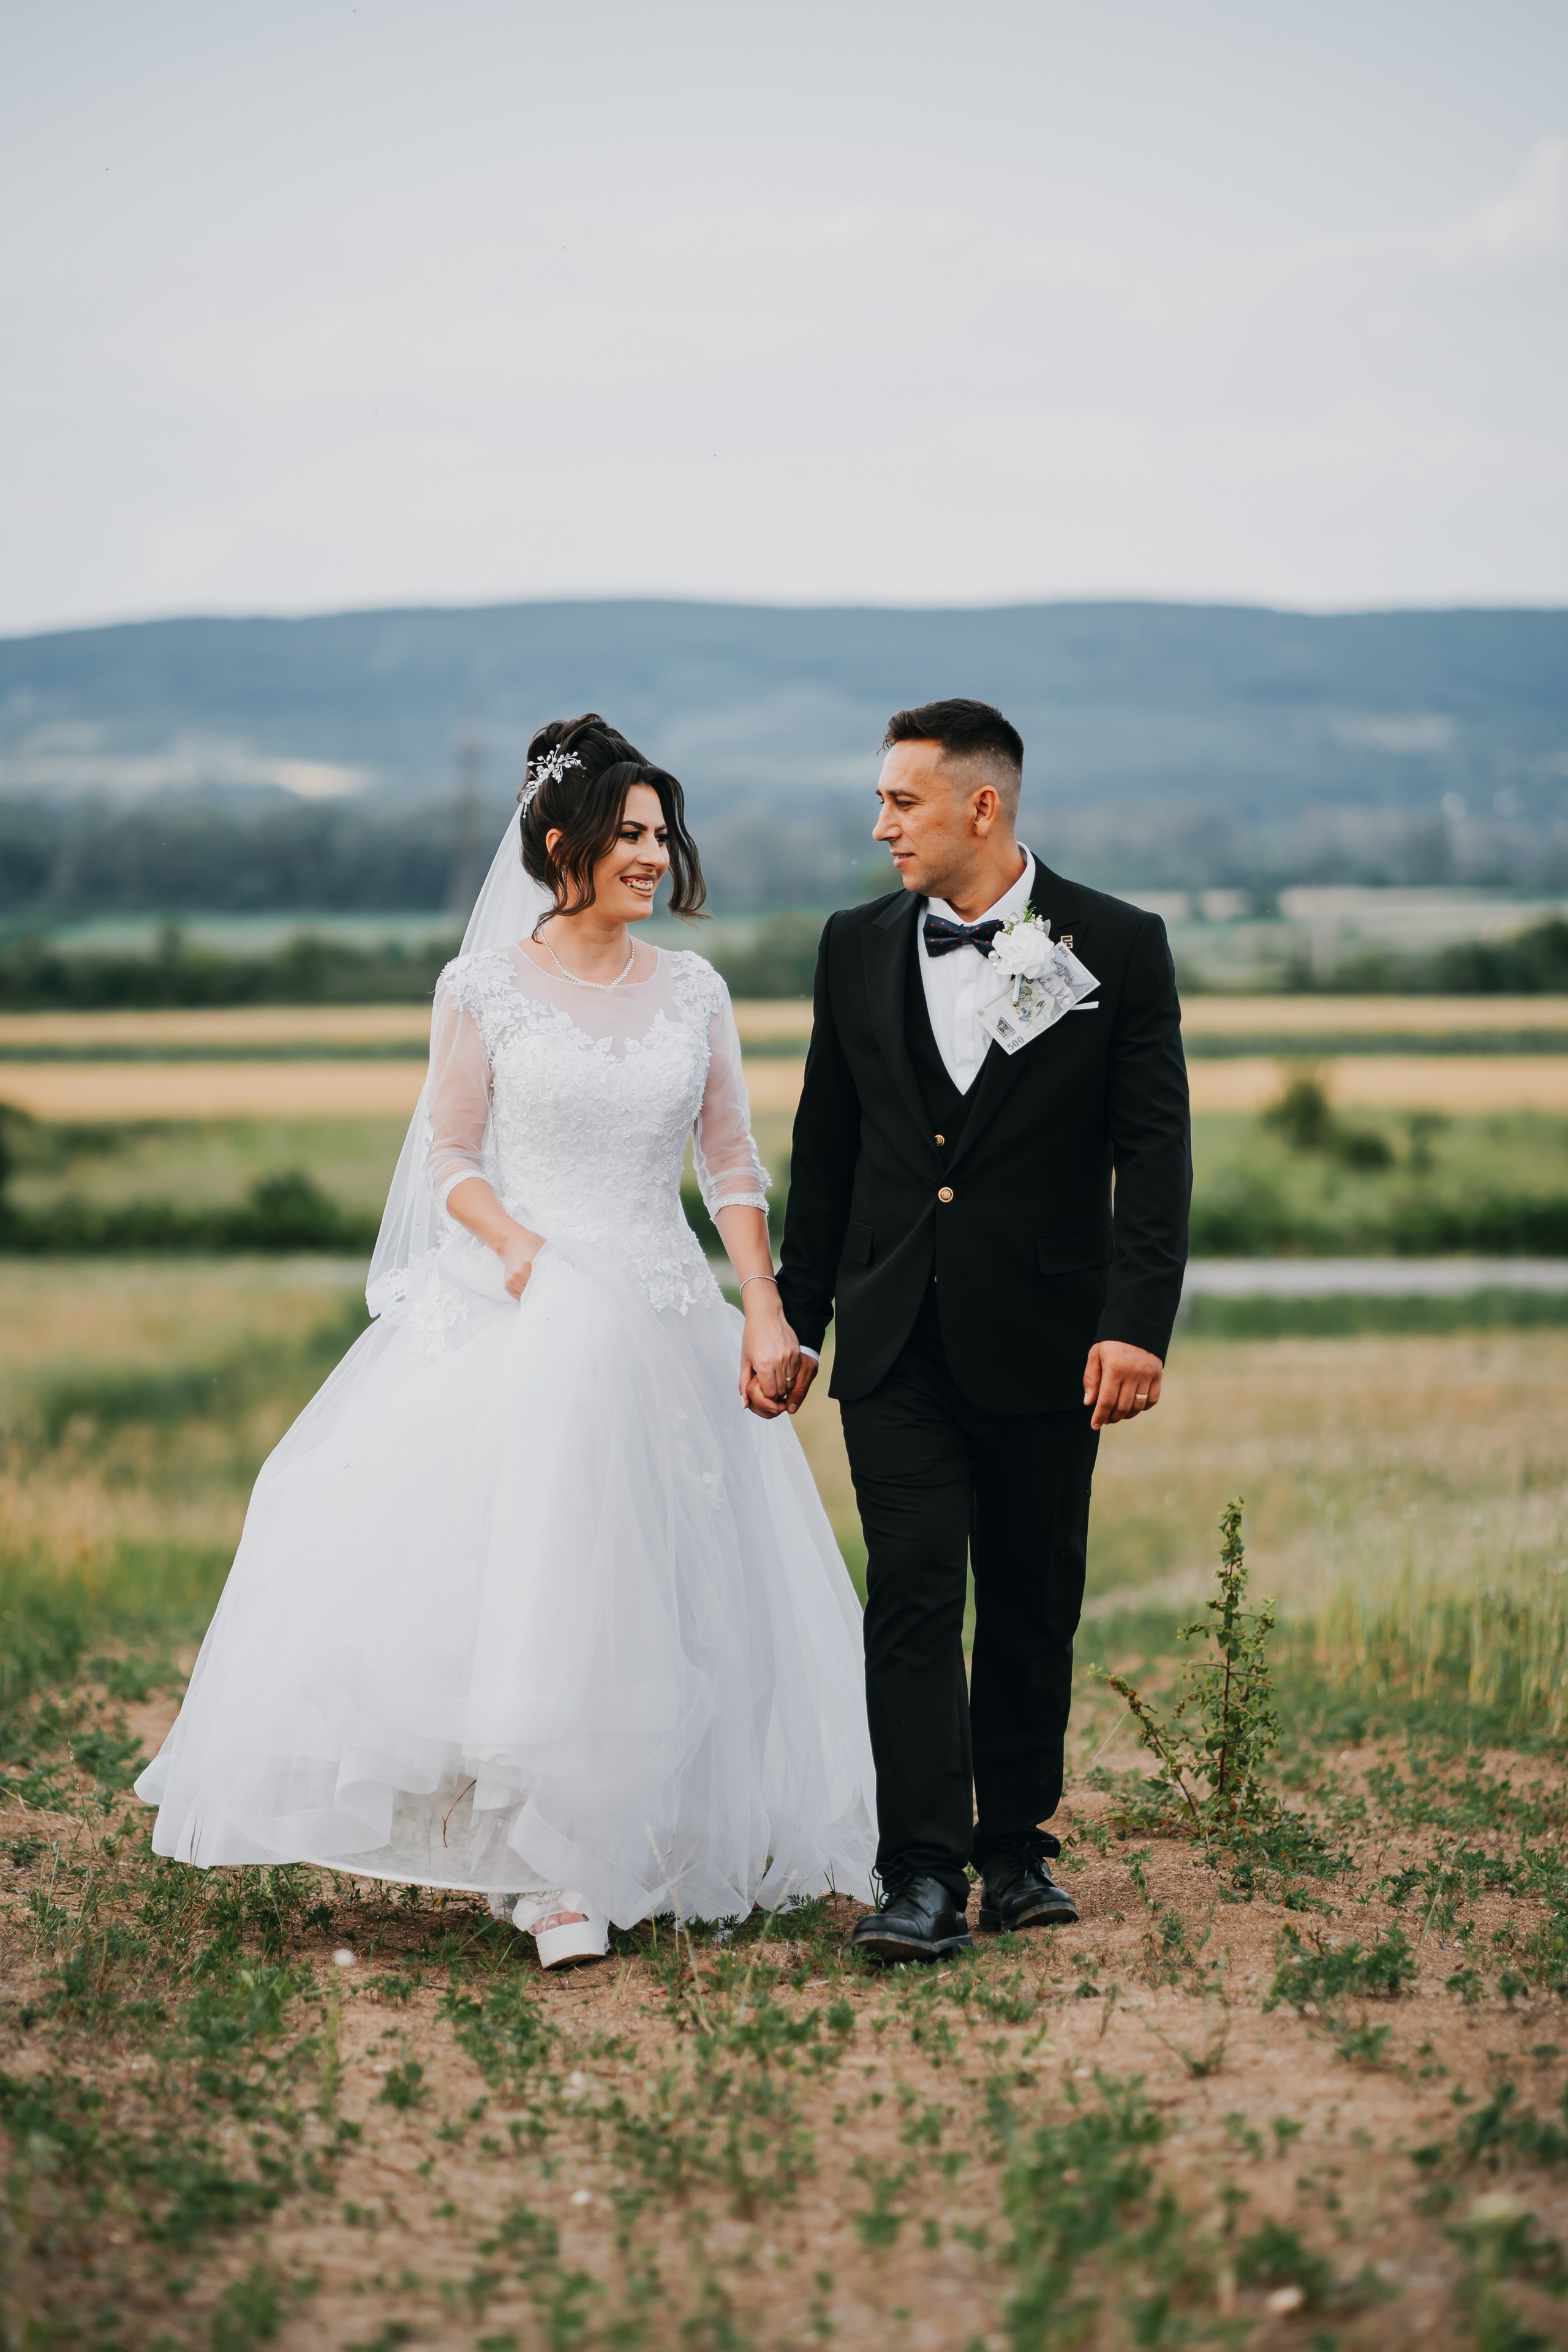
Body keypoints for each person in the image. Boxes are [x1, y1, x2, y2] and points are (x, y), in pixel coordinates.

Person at [136, 715, 876, 1967]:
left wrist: (760, 1304)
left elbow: (731, 1165)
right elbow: (452, 1158)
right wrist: (519, 1248)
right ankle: (549, 1867)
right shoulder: (481, 987)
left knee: (673, 1590)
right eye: (629, 835)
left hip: (661, 1311)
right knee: (545, 1580)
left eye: (659, 834)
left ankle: (642, 1837)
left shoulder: (691, 990)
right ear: (558, 845)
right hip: (530, 1304)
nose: (654, 855)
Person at [776, 698, 1190, 1964]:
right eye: (881, 802)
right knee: (907, 1595)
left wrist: (1133, 1324)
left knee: (1028, 1596)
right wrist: (793, 1324)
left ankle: (1013, 1846)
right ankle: (916, 1873)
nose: (880, 824)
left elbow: (1152, 1148)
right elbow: (825, 1149)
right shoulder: (851, 946)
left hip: (1048, 1338)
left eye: (901, 802)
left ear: (981, 806)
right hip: (892, 1336)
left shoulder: (1117, 943)